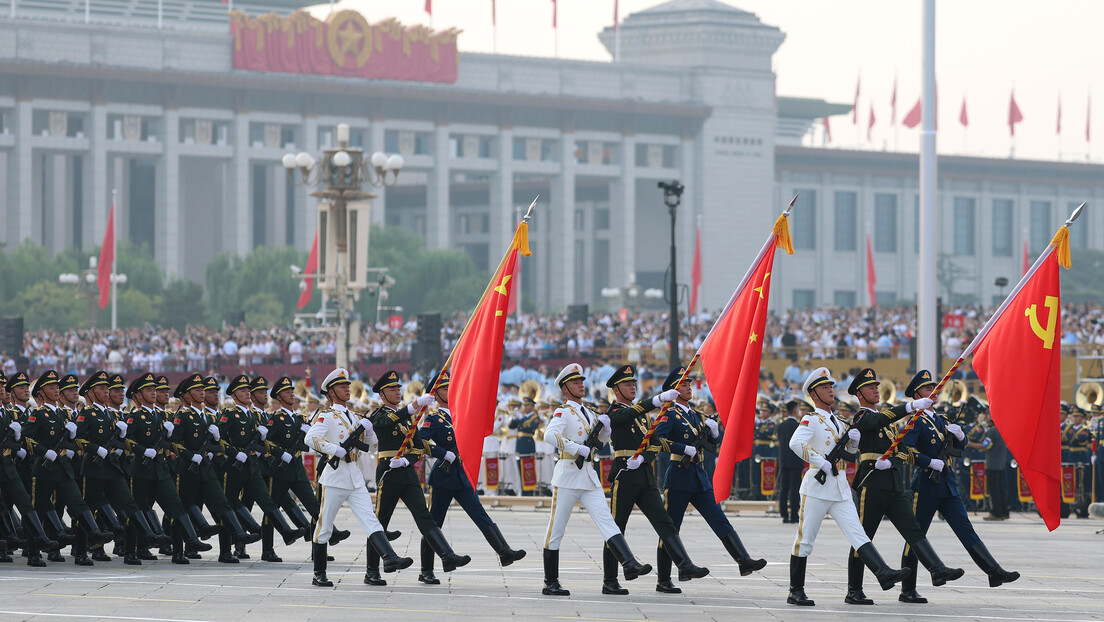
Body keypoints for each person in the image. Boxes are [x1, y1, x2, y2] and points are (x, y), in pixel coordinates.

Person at [786, 367, 909, 607]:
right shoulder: (811, 419)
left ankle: (882, 573)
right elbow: (795, 443)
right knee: (806, 540)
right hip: (816, 488)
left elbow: (851, 455)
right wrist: (821, 462)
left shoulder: (840, 422)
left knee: (858, 534)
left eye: (831, 386)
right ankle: (796, 590)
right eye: (824, 387)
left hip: (840, 487)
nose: (830, 390)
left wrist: (853, 442)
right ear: (813, 394)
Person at [844, 368, 963, 606]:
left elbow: (901, 449)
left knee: (913, 530)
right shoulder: (861, 418)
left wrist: (892, 461)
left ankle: (936, 569)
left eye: (877, 386)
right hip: (872, 482)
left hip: (893, 482)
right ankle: (854, 590)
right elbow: (878, 419)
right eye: (870, 388)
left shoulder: (890, 425)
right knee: (863, 537)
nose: (876, 390)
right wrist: (909, 407)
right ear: (859, 393)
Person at [898, 370, 1020, 602]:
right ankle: (908, 589)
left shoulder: (942, 419)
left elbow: (959, 446)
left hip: (947, 483)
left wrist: (961, 436)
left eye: (934, 389)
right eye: (927, 389)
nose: (933, 393)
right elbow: (905, 449)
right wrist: (927, 461)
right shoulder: (915, 421)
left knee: (966, 529)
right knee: (915, 537)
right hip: (926, 483)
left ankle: (994, 572)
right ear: (917, 394)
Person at [541, 363, 651, 597]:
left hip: (588, 476)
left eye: (581, 381)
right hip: (568, 475)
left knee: (607, 523)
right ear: (564, 388)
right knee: (556, 530)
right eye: (575, 382)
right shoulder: (563, 412)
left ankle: (629, 563)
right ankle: (550, 582)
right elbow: (549, 435)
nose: (581, 385)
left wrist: (606, 429)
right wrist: (575, 448)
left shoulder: (589, 412)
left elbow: (600, 441)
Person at [653, 366, 766, 589]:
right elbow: (657, 440)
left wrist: (714, 434)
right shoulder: (669, 414)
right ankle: (664, 579)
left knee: (719, 519)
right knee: (671, 528)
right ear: (673, 389)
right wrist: (683, 448)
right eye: (684, 383)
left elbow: (709, 447)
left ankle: (743, 561)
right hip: (678, 476)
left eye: (689, 383)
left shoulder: (695, 415)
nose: (689, 387)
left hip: (699, 476)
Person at [601, 364, 708, 595]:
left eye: (633, 383)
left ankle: (684, 564)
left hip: (644, 475)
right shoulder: (614, 413)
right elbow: (627, 414)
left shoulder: (642, 418)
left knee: (664, 522)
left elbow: (656, 442)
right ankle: (610, 580)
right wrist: (656, 400)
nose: (632, 387)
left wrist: (644, 458)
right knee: (616, 527)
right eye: (627, 384)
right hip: (624, 475)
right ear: (616, 390)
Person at [415, 370, 526, 584]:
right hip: (444, 476)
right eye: (446, 388)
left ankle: (504, 552)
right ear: (436, 394)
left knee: (479, 514)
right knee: (434, 522)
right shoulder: (434, 418)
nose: (451, 391)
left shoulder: (461, 414)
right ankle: (426, 570)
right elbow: (420, 442)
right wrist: (441, 453)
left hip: (461, 474)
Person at [305, 368, 412, 587]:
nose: (347, 389)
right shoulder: (327, 416)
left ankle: (389, 558)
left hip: (354, 476)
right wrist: (335, 450)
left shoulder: (354, 417)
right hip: (335, 478)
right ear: (332, 392)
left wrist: (369, 431)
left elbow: (372, 444)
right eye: (342, 386)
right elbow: (311, 438)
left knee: (371, 520)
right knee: (325, 526)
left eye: (347, 385)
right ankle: (319, 573)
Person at [366, 370, 469, 587]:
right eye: (392, 389)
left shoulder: (409, 420)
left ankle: (447, 554)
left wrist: (407, 461)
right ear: (382, 394)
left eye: (398, 388)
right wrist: (414, 405)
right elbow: (387, 422)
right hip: (388, 471)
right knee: (380, 521)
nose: (397, 391)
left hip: (405, 472)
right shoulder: (377, 414)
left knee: (424, 516)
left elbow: (418, 446)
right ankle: (372, 570)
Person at [23, 370, 115, 566]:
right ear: (40, 393)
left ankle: (94, 534)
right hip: (44, 468)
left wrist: (72, 440)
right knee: (39, 508)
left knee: (78, 503)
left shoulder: (64, 414)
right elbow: (27, 438)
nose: (56, 390)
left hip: (63, 467)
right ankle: (34, 553)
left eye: (57, 387)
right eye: (51, 387)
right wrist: (43, 451)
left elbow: (79, 438)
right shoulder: (38, 414)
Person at [168, 373, 258, 565]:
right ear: (188, 395)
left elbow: (218, 445)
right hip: (188, 468)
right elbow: (174, 443)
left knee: (222, 503)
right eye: (198, 390)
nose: (202, 393)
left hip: (208, 469)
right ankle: (179, 551)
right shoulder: (182, 416)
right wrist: (191, 455)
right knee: (183, 507)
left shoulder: (209, 417)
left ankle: (237, 536)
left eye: (203, 390)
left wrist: (215, 441)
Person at [216, 374, 305, 564]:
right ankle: (227, 549)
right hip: (234, 466)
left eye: (248, 390)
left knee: (267, 501)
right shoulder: (230, 414)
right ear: (233, 395)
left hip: (255, 465)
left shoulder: (253, 416)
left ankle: (284, 532)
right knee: (230, 504)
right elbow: (219, 440)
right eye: (243, 390)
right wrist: (233, 453)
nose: (247, 393)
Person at [265, 375, 350, 565]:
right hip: (280, 469)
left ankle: (323, 543)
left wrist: (306, 432)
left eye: (292, 391)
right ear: (279, 397)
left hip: (296, 468)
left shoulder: (300, 418)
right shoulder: (276, 418)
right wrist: (281, 454)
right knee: (272, 508)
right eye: (287, 392)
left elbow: (309, 442)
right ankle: (267, 549)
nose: (292, 394)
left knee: (314, 505)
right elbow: (267, 442)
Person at [775, 399, 803, 524]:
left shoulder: (781, 425)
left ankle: (784, 514)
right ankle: (794, 515)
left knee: (784, 488)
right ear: (795, 410)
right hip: (796, 461)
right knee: (794, 489)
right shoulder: (799, 426)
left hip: (784, 461)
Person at [982, 416, 1009, 521]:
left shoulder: (992, 432)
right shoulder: (1002, 431)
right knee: (1002, 490)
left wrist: (969, 443)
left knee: (994, 491)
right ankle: (1004, 512)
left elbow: (985, 446)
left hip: (992, 465)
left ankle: (996, 513)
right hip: (1001, 465)